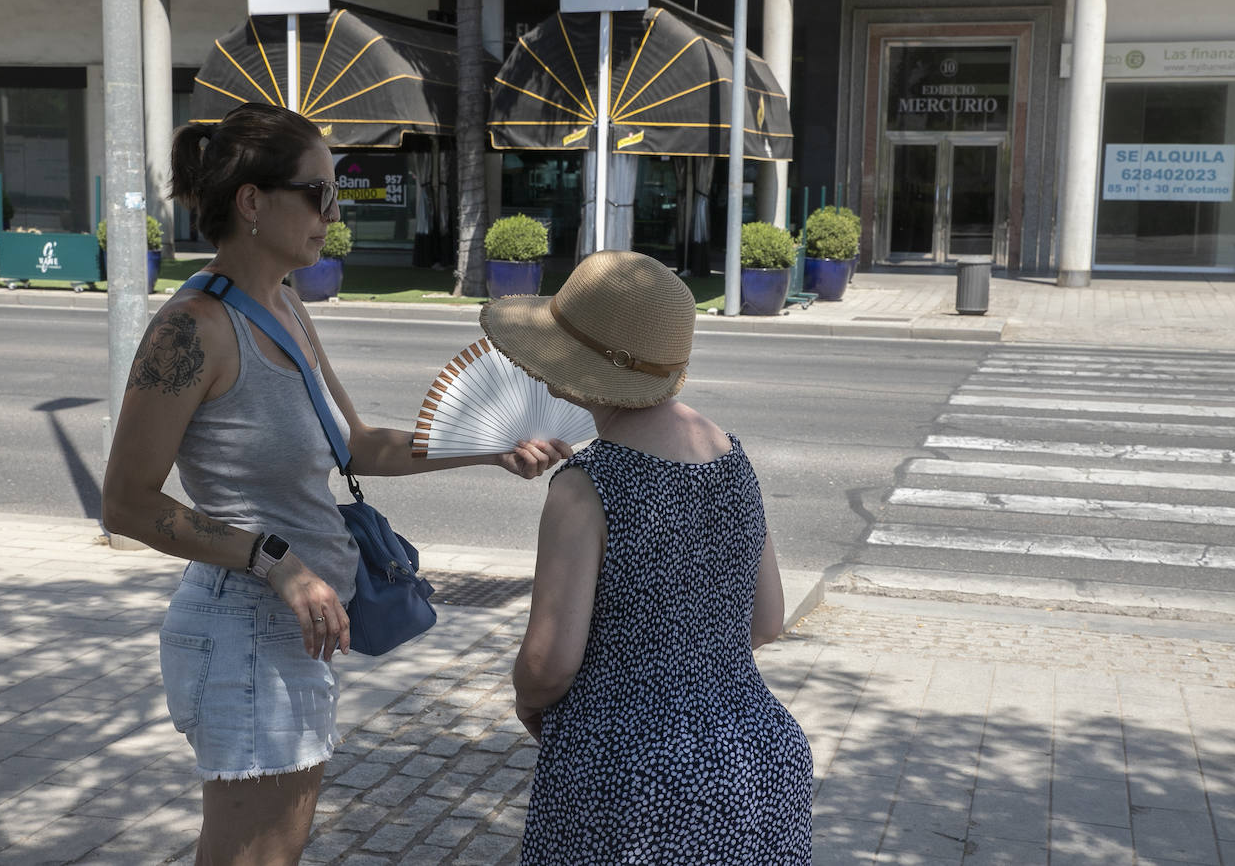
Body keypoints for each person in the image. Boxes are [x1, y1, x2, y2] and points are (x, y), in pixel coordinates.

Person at [101, 101, 569, 866]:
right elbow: (125, 503)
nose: (333, 211)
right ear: (253, 202)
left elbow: (353, 445)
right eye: (318, 192)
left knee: (268, 851)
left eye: (335, 192)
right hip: (243, 626)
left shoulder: (284, 303)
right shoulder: (191, 328)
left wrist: (487, 447)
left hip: (294, 629)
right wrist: (276, 561)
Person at [483, 249, 813, 864]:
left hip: (630, 776)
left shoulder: (589, 483)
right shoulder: (729, 455)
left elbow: (549, 662)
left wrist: (530, 703)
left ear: (571, 367)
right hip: (761, 760)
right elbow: (766, 621)